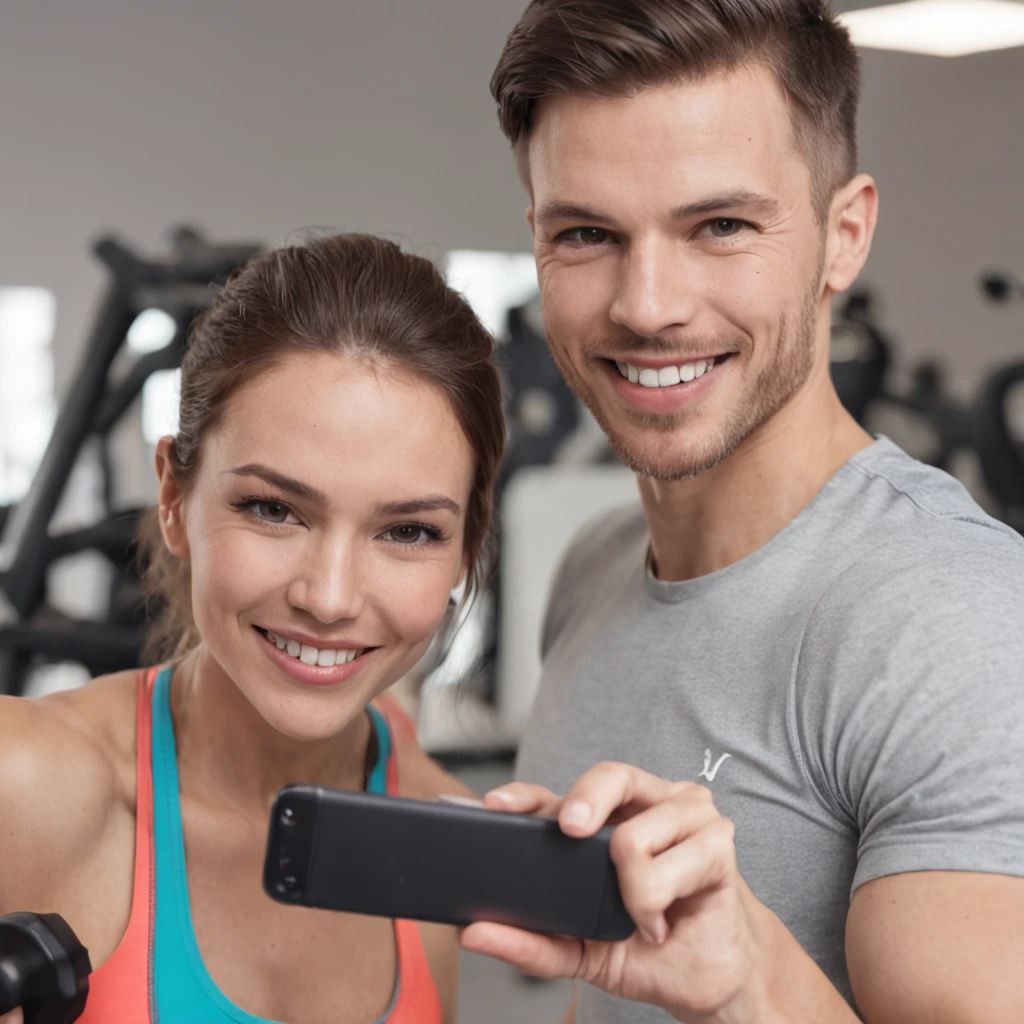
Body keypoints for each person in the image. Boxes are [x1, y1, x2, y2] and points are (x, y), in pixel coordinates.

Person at [458, 1, 1024, 1022]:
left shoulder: (964, 626)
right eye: (585, 233)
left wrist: (746, 980)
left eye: (719, 226)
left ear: (842, 234)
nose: (646, 304)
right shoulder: (597, 565)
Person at [0, 233, 505, 1024]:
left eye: (408, 531)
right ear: (173, 496)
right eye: (272, 509)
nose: (331, 598)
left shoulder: (436, 838)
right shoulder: (27, 783)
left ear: (465, 550)